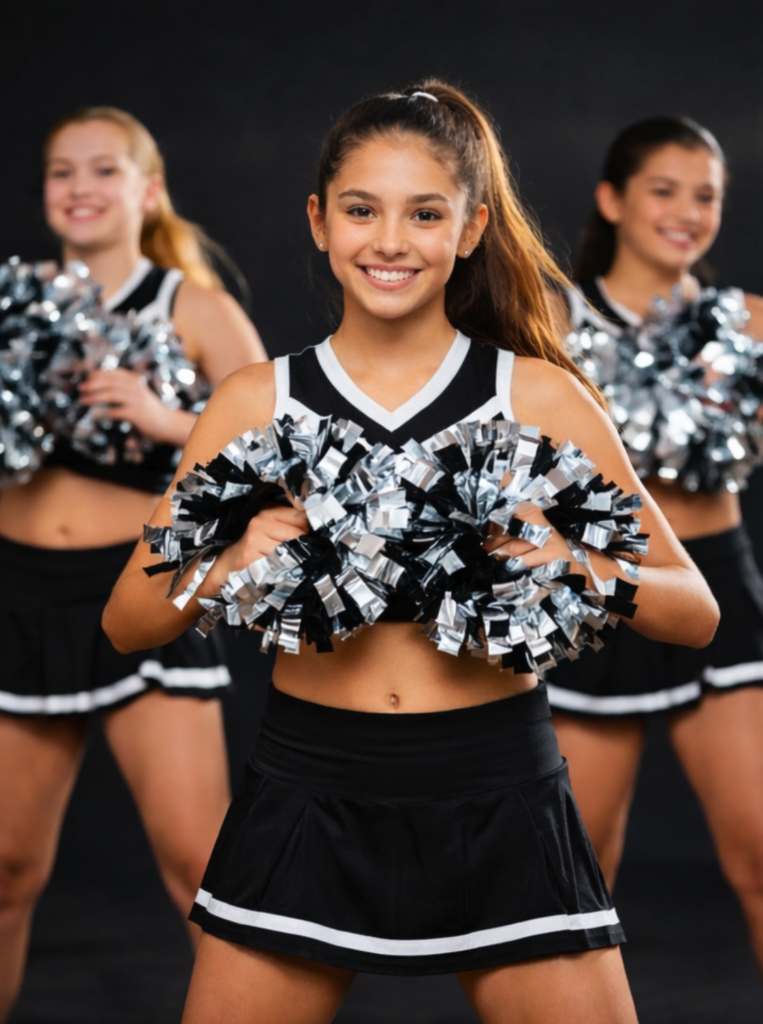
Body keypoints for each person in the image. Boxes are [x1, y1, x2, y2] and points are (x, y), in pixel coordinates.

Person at [105, 84, 717, 1024]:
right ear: (318, 221)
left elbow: (692, 607)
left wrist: (568, 560)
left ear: (470, 229)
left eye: (423, 213)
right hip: (308, 790)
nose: (389, 240)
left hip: (497, 789)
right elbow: (126, 621)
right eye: (361, 209)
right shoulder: (255, 401)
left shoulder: (538, 396)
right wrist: (227, 566)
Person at [0, 106, 266, 1020]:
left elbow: (290, 450)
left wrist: (164, 422)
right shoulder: (14, 297)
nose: (78, 187)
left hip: (141, 591)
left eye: (102, 170)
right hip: (18, 597)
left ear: (146, 191)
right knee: (6, 870)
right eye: (60, 171)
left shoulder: (193, 306)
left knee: (200, 863)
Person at [545, 116, 763, 970]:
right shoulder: (557, 318)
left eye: (704, 195)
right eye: (662, 190)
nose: (686, 211)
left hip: (717, 583)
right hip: (603, 590)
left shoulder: (745, 320)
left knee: (759, 853)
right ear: (612, 199)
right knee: (580, 874)